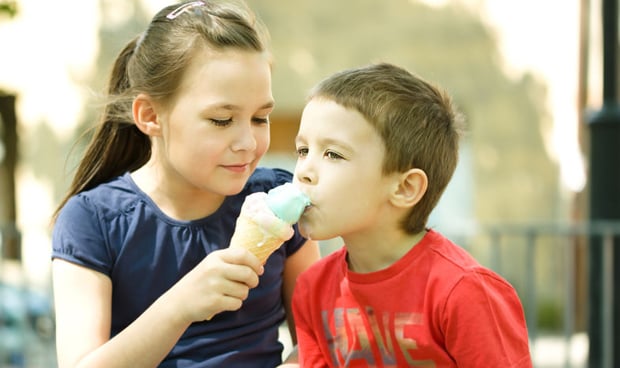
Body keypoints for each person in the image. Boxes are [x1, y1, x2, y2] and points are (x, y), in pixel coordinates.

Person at [50, 1, 320, 367]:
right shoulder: (93, 220)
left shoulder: (277, 198)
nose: (247, 142)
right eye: (222, 120)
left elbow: (317, 340)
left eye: (260, 118)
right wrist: (180, 306)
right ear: (150, 116)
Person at [290, 63, 533, 367]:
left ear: (405, 188)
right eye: (302, 151)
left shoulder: (464, 292)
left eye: (333, 154)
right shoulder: (312, 288)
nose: (304, 171)